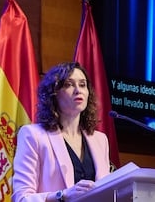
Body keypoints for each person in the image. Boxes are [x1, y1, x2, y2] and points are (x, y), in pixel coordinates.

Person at [12, 62, 111, 202]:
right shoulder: (33, 135)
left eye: (82, 85)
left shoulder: (100, 140)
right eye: (68, 84)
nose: (78, 90)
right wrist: (62, 195)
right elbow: (22, 197)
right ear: (53, 93)